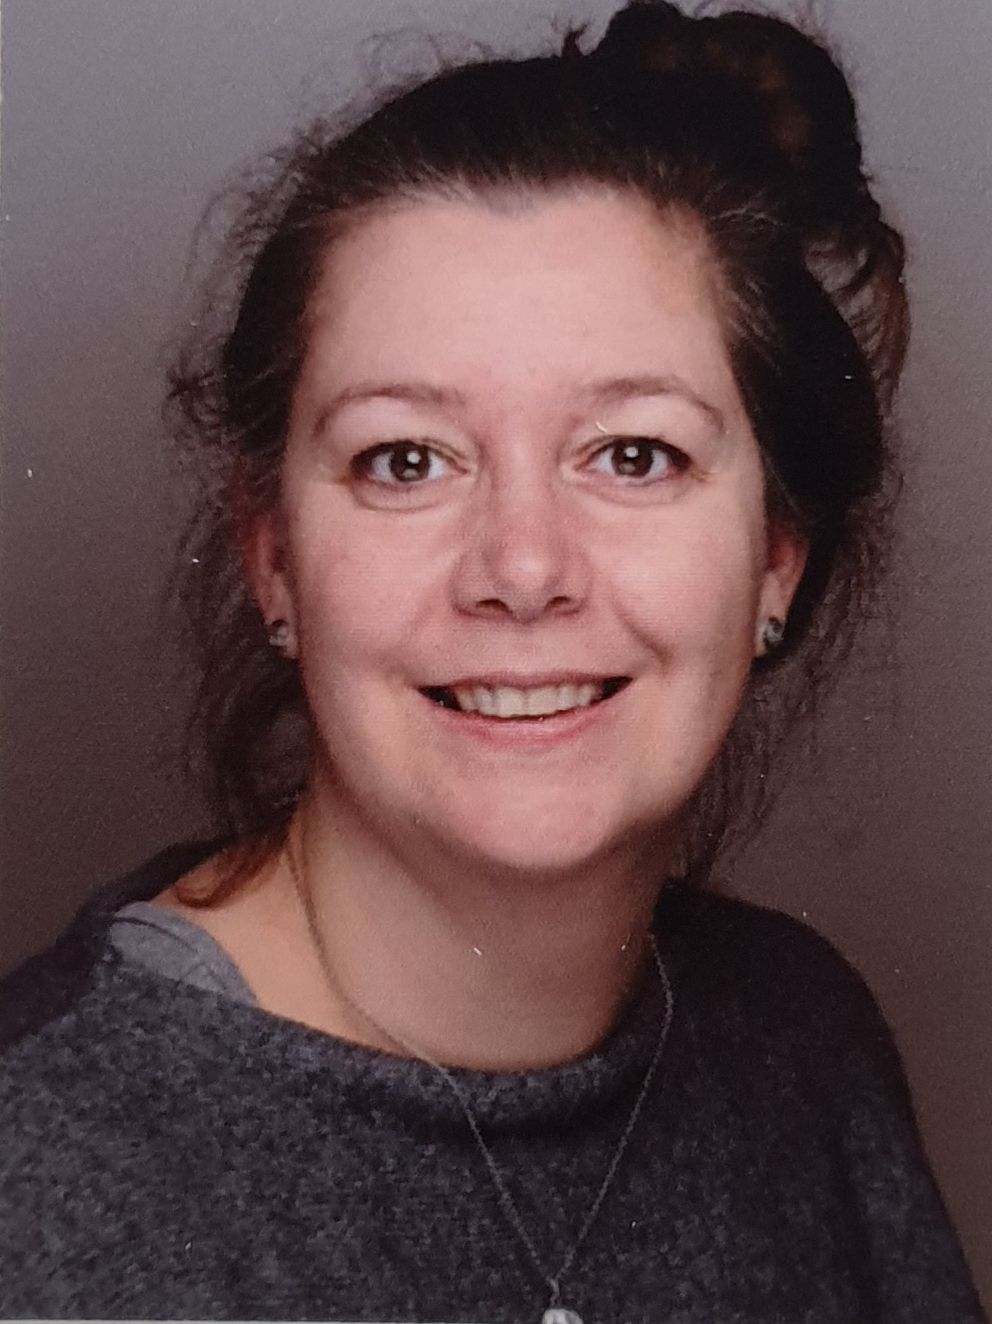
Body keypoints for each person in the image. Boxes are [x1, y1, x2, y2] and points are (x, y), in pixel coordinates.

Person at [0, 2, 985, 1320]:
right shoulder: (45, 1180)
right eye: (407, 459)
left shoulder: (806, 1044)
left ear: (775, 557)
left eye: (634, 454)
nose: (523, 568)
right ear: (273, 554)